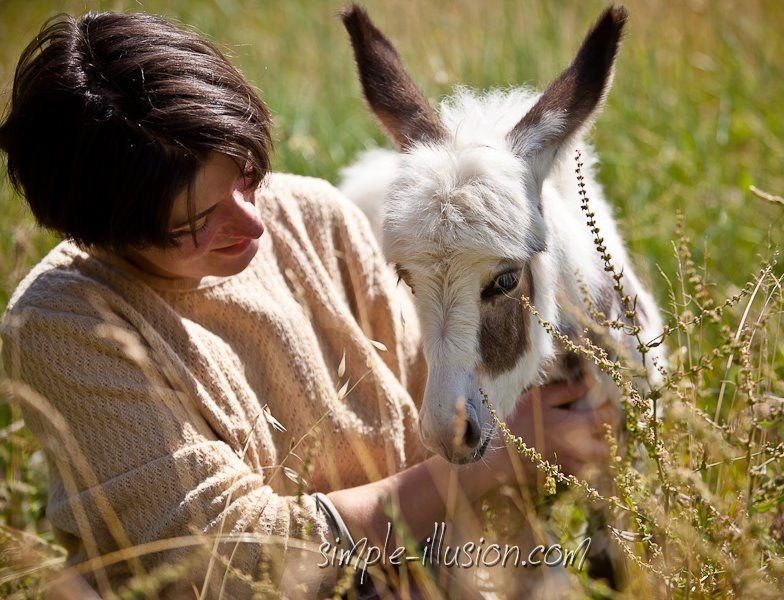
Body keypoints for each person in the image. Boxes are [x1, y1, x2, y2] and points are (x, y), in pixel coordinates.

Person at [0, 11, 609, 597]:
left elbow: (424, 428)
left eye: (246, 174)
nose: (253, 222)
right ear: (104, 228)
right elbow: (237, 564)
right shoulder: (66, 323)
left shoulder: (317, 216)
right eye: (197, 220)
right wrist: (492, 465)